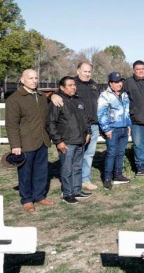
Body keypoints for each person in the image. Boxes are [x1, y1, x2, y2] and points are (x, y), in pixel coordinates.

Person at [5, 69, 55, 212]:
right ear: (22, 80)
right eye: (30, 78)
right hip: (25, 142)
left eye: (36, 78)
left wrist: (53, 96)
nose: (34, 80)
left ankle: (39, 196)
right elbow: (11, 124)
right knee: (25, 172)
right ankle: (27, 199)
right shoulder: (14, 99)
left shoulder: (41, 96)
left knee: (41, 171)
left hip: (42, 140)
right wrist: (15, 145)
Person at [51, 62, 100, 191]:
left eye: (89, 71)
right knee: (72, 157)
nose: (87, 74)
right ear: (78, 71)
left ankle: (85, 180)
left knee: (88, 155)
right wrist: (53, 95)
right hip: (76, 128)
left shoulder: (94, 85)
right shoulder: (72, 84)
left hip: (92, 126)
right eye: (85, 71)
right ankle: (69, 185)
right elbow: (58, 94)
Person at [47, 76, 92, 204]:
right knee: (67, 169)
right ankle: (67, 193)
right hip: (67, 142)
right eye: (70, 85)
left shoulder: (78, 100)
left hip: (80, 140)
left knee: (77, 167)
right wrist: (58, 141)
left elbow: (85, 118)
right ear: (62, 87)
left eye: (74, 85)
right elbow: (51, 123)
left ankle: (77, 190)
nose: (73, 87)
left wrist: (88, 132)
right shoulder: (58, 102)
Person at [97, 72, 132, 189]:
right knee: (111, 153)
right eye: (116, 82)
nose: (119, 84)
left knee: (120, 153)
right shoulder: (105, 95)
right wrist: (106, 129)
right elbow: (101, 113)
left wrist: (128, 125)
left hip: (123, 129)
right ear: (110, 83)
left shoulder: (124, 95)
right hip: (112, 129)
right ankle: (107, 178)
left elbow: (127, 112)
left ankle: (118, 175)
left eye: (120, 81)